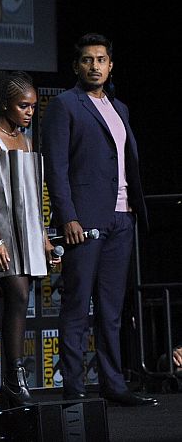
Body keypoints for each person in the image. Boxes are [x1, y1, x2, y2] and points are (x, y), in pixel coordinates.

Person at [41, 33, 156, 407]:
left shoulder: (120, 107)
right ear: (77, 66)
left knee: (111, 309)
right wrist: (68, 216)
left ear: (110, 65)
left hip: (122, 218)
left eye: (101, 60)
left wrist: (134, 207)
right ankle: (73, 387)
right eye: (87, 60)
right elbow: (55, 168)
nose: (95, 66)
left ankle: (114, 383)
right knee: (77, 305)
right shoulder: (64, 106)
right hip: (84, 221)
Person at [0, 70, 59, 409]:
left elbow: (34, 196)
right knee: (18, 295)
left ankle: (13, 381)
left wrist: (45, 239)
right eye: (23, 105)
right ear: (5, 104)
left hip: (29, 233)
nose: (29, 112)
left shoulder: (25, 140)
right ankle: (13, 378)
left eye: (33, 107)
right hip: (2, 232)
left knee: (21, 300)